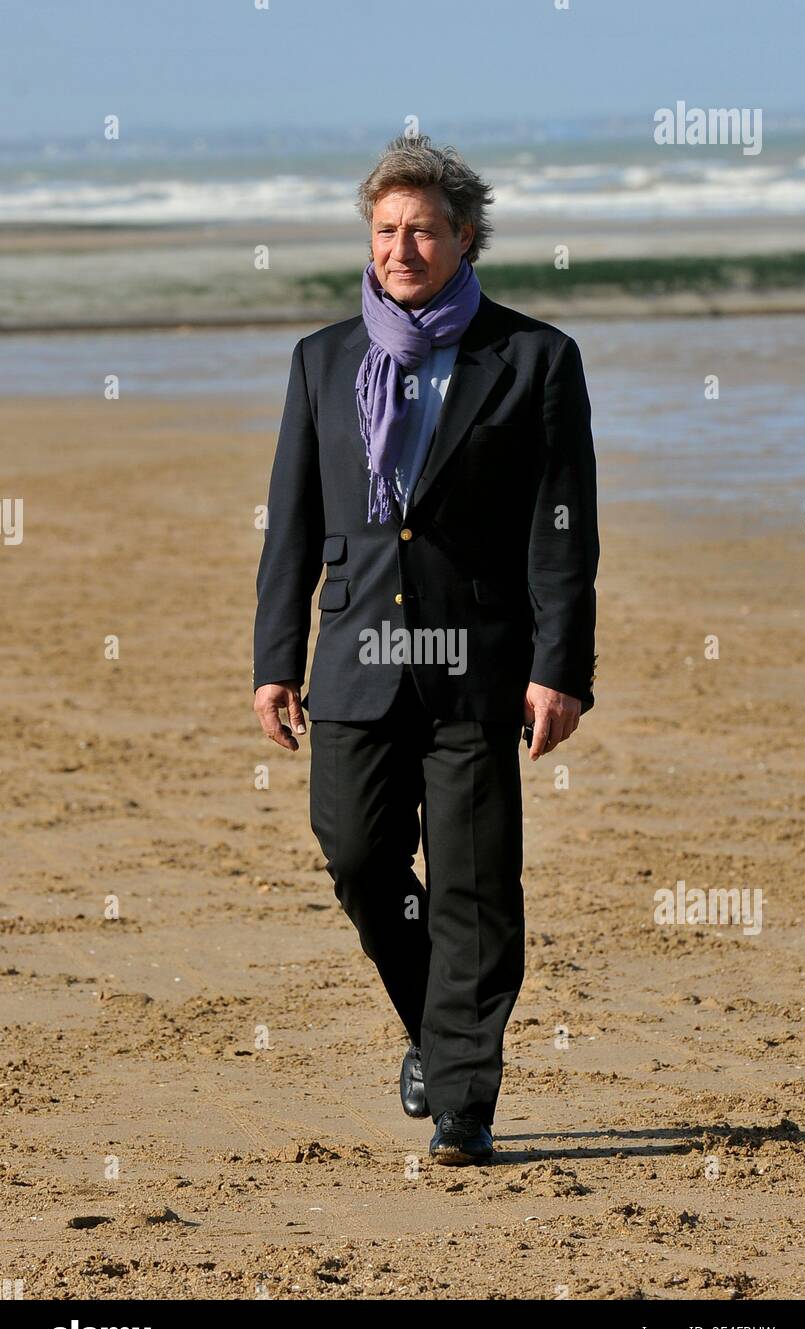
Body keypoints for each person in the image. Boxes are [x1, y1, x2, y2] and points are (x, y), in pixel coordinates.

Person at [253, 133, 599, 1165]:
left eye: (424, 231)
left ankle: (463, 1101)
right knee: (360, 856)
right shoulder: (323, 360)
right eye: (386, 231)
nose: (402, 248)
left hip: (482, 663)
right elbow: (294, 522)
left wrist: (561, 667)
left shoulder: (534, 357)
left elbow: (562, 526)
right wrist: (277, 659)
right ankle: (434, 1027)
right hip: (356, 656)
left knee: (476, 890)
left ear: (465, 238)